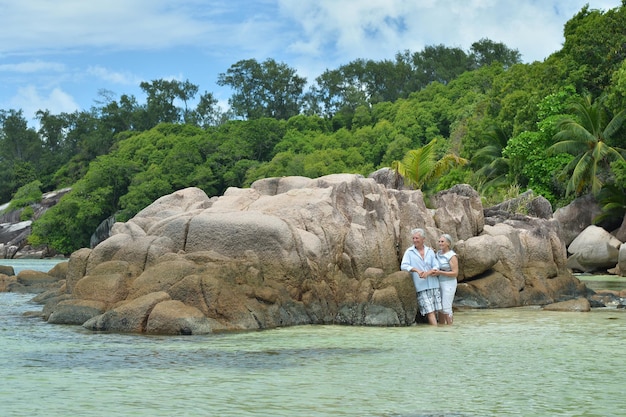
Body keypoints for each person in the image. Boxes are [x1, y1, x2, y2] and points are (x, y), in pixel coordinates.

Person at [401, 228, 441, 326]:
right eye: (413, 238)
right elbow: (404, 266)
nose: (415, 240)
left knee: (437, 311)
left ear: (423, 239)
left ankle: (440, 334)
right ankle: (436, 333)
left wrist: (430, 271)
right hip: (421, 286)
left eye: (417, 238)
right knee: (430, 312)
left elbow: (436, 265)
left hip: (434, 284)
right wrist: (416, 270)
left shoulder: (430, 251)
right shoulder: (409, 252)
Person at [436, 234, 459, 325]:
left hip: (449, 283)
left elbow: (455, 273)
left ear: (448, 243)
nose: (440, 243)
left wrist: (440, 272)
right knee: (440, 308)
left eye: (442, 242)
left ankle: (450, 327)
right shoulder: (438, 253)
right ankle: (442, 329)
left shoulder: (452, 256)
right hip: (439, 282)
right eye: (439, 241)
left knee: (446, 307)